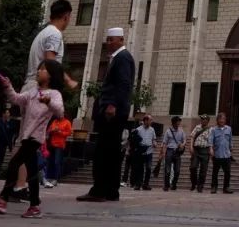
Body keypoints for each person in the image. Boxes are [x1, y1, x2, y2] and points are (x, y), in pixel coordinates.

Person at [9, 0, 78, 200]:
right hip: (39, 90)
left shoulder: (43, 33)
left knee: (28, 139)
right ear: (66, 15)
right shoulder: (55, 34)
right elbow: (50, 62)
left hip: (31, 86)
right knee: (29, 140)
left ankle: (17, 184)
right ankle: (16, 185)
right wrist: (67, 80)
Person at [0, 59, 66, 218]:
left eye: (43, 69)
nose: (39, 71)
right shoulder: (33, 91)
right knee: (32, 172)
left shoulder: (54, 94)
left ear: (51, 76)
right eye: (39, 69)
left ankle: (2, 199)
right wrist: (8, 86)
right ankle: (34, 206)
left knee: (14, 163)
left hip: (35, 137)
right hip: (26, 136)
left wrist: (48, 102)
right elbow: (16, 99)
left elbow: (60, 111)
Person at [78, 27, 135, 203]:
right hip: (115, 112)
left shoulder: (122, 58)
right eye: (108, 40)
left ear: (121, 40)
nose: (109, 43)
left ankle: (100, 189)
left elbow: (123, 84)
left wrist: (112, 105)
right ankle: (111, 190)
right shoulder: (117, 58)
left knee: (103, 151)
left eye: (112, 40)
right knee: (111, 152)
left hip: (113, 113)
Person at [45, 112, 73, 187]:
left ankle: (55, 179)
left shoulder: (67, 122)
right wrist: (51, 131)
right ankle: (48, 178)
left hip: (60, 145)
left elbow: (69, 132)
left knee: (57, 162)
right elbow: (49, 130)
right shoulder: (54, 121)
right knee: (50, 161)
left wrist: (60, 132)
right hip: (52, 144)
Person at [209, 112, 233, 194]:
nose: (222, 120)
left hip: (227, 154)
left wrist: (231, 148)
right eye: (220, 119)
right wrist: (211, 149)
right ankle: (214, 187)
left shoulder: (229, 129)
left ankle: (226, 187)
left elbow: (230, 140)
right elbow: (211, 141)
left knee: (227, 172)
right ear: (217, 120)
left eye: (223, 119)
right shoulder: (213, 130)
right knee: (215, 172)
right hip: (217, 154)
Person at [131, 114, 156, 190]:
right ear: (145, 121)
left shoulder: (152, 129)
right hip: (141, 150)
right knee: (140, 168)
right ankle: (138, 184)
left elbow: (154, 139)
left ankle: (146, 184)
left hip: (149, 150)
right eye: (150, 120)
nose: (151, 121)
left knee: (148, 168)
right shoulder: (138, 129)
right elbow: (134, 140)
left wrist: (154, 143)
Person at [162, 116, 186, 191]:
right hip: (169, 150)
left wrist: (183, 144)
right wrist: (163, 152)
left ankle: (174, 184)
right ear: (174, 122)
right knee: (167, 170)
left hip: (177, 152)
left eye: (179, 121)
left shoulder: (181, 130)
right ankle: (166, 185)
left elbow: (184, 140)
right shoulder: (168, 131)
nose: (179, 123)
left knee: (177, 170)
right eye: (177, 121)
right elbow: (165, 142)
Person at [189, 114, 212, 192]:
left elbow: (211, 141)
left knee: (203, 170)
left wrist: (211, 149)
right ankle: (193, 183)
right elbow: (192, 137)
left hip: (205, 151)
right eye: (202, 119)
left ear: (207, 121)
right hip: (196, 150)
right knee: (193, 167)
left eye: (204, 119)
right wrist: (191, 147)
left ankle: (200, 186)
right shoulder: (197, 127)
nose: (202, 120)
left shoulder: (210, 129)